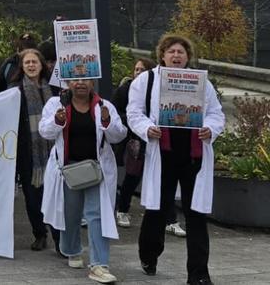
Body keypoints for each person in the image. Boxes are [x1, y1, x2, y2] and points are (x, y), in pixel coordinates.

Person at [128, 35, 225, 285]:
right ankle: (149, 255)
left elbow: (216, 113)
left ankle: (199, 274)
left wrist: (210, 129)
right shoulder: (147, 80)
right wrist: (147, 128)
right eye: (171, 51)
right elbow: (134, 112)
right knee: (157, 210)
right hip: (163, 155)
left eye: (181, 52)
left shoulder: (201, 82)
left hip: (193, 157)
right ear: (162, 55)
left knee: (196, 214)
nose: (176, 56)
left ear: (187, 57)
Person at [39, 78, 127, 283]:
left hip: (96, 170)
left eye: (85, 79)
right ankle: (71, 249)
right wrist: (57, 120)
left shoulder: (104, 105)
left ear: (93, 82)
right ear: (67, 82)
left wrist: (107, 121)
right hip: (68, 170)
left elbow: (119, 136)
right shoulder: (56, 104)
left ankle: (99, 265)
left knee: (97, 215)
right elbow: (45, 131)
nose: (80, 83)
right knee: (71, 213)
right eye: (75, 79)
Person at [7, 48, 58, 252]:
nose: (31, 65)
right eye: (27, 62)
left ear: (41, 65)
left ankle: (59, 238)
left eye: (34, 62)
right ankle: (39, 233)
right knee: (33, 197)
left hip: (54, 151)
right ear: (22, 66)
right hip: (28, 153)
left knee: (55, 196)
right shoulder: (15, 90)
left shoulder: (54, 89)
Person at [112, 57, 151, 228]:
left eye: (143, 70)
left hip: (152, 139)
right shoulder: (124, 90)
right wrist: (133, 120)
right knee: (132, 175)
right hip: (133, 140)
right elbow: (115, 112)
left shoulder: (155, 91)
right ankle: (122, 209)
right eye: (136, 69)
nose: (139, 73)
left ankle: (170, 219)